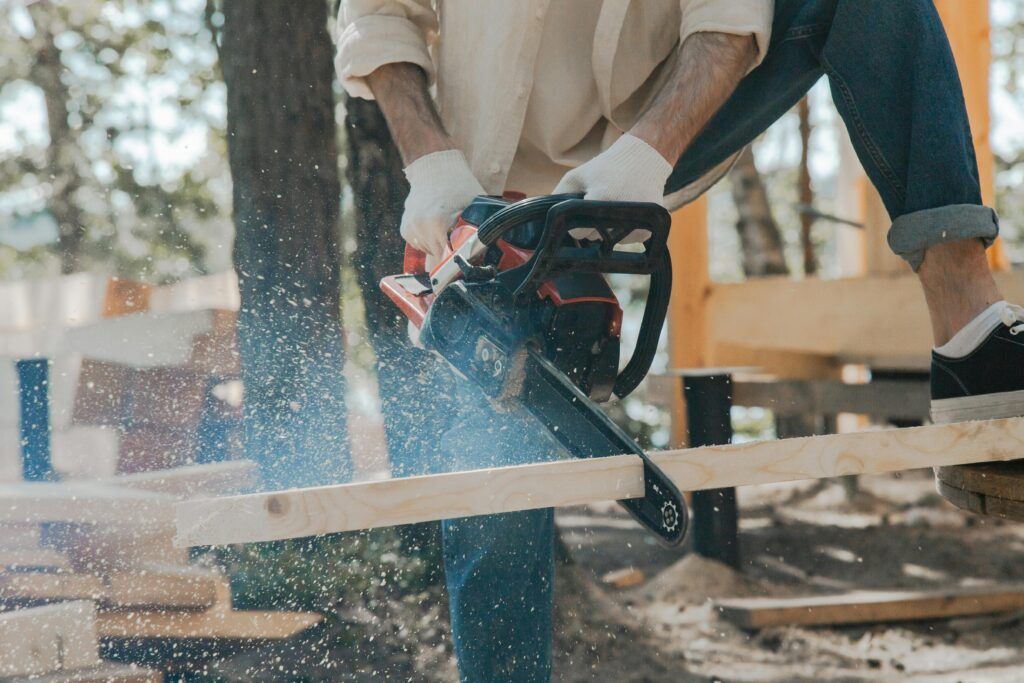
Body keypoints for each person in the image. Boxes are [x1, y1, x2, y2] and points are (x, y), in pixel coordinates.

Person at [336, 1, 1024, 680]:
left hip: (656, 125)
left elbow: (729, 11)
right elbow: (378, 12)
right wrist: (432, 169)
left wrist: (646, 155)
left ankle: (969, 334)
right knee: (493, 438)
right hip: (476, 176)